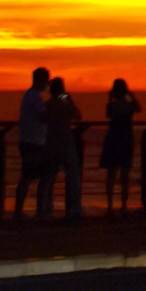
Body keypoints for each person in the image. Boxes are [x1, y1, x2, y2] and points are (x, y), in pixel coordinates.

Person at [44, 76, 82, 219]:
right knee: (72, 177)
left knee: (49, 178)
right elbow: (78, 116)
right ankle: (75, 208)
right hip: (66, 142)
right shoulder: (65, 106)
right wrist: (69, 99)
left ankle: (47, 208)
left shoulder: (47, 105)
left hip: (51, 143)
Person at [100, 78, 141, 215]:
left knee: (111, 173)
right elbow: (138, 107)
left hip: (113, 138)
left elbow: (108, 114)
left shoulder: (112, 105)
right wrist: (131, 95)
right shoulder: (129, 105)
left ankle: (110, 204)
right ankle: (123, 204)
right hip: (126, 139)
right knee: (124, 174)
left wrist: (110, 98)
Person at [15, 67, 51, 219]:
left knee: (28, 176)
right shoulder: (34, 97)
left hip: (29, 140)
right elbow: (43, 117)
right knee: (34, 176)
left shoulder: (30, 96)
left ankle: (21, 209)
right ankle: (36, 209)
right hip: (33, 142)